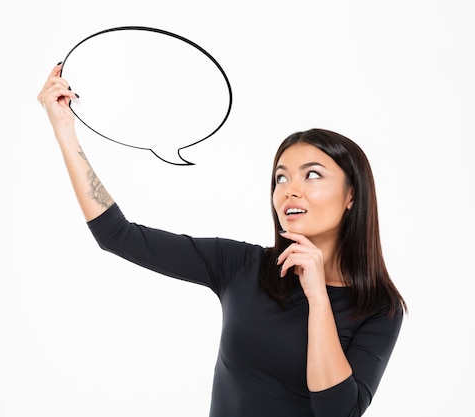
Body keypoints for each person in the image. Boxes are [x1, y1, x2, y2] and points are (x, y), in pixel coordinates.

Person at [37, 63, 406, 417]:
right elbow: (117, 235)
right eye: (281, 178)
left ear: (351, 196)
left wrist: (318, 297)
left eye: (312, 175)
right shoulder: (240, 266)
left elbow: (337, 412)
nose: (290, 191)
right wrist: (65, 130)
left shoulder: (379, 307)